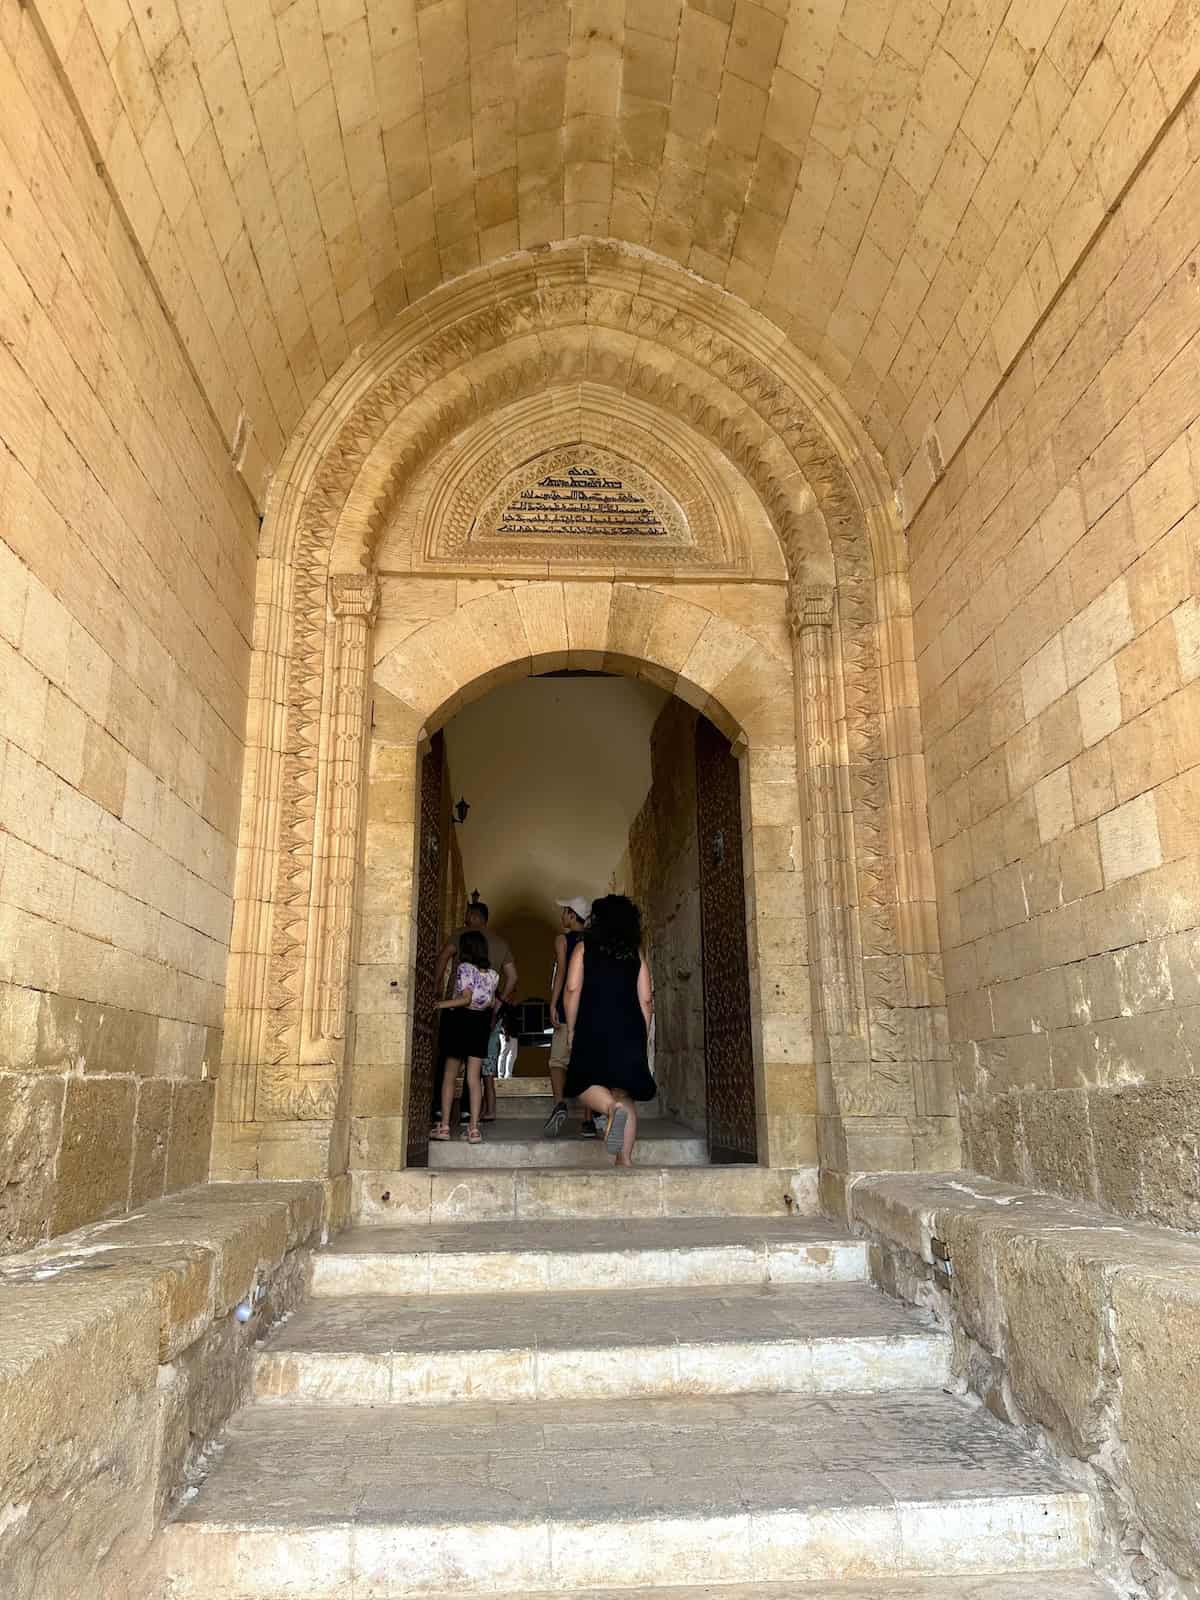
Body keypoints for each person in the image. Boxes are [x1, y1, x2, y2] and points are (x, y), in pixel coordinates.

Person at [562, 894, 655, 1167]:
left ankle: (609, 1110)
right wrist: (643, 1033)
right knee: (624, 1094)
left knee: (582, 1080)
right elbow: (646, 999)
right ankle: (624, 1160)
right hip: (629, 1028)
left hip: (593, 1025)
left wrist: (571, 1029)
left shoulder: (583, 948)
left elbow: (571, 990)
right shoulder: (634, 952)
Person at [432, 900, 518, 1126]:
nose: (464, 919)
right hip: (482, 1018)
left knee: (448, 1068)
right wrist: (499, 1003)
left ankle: (441, 1116)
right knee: (475, 1074)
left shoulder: (460, 936)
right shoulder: (500, 947)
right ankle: (470, 1119)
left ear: (474, 915)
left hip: (457, 1012)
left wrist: (435, 990)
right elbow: (513, 977)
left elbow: (442, 959)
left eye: (467, 914)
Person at [431, 931, 499, 1144]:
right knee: (473, 1078)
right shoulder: (493, 975)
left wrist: (440, 1004)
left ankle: (443, 1127)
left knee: (449, 1076)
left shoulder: (464, 968)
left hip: (460, 1022)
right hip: (480, 1026)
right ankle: (473, 1130)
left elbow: (465, 999)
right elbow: (490, 1002)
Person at [543, 896, 594, 1138]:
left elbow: (562, 973)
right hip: (592, 1010)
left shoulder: (562, 940)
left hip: (569, 1008)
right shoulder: (596, 940)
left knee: (556, 1061)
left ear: (573, 915)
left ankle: (560, 1103)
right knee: (586, 1062)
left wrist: (553, 1004)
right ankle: (587, 1120)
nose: (562, 915)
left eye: (565, 911)